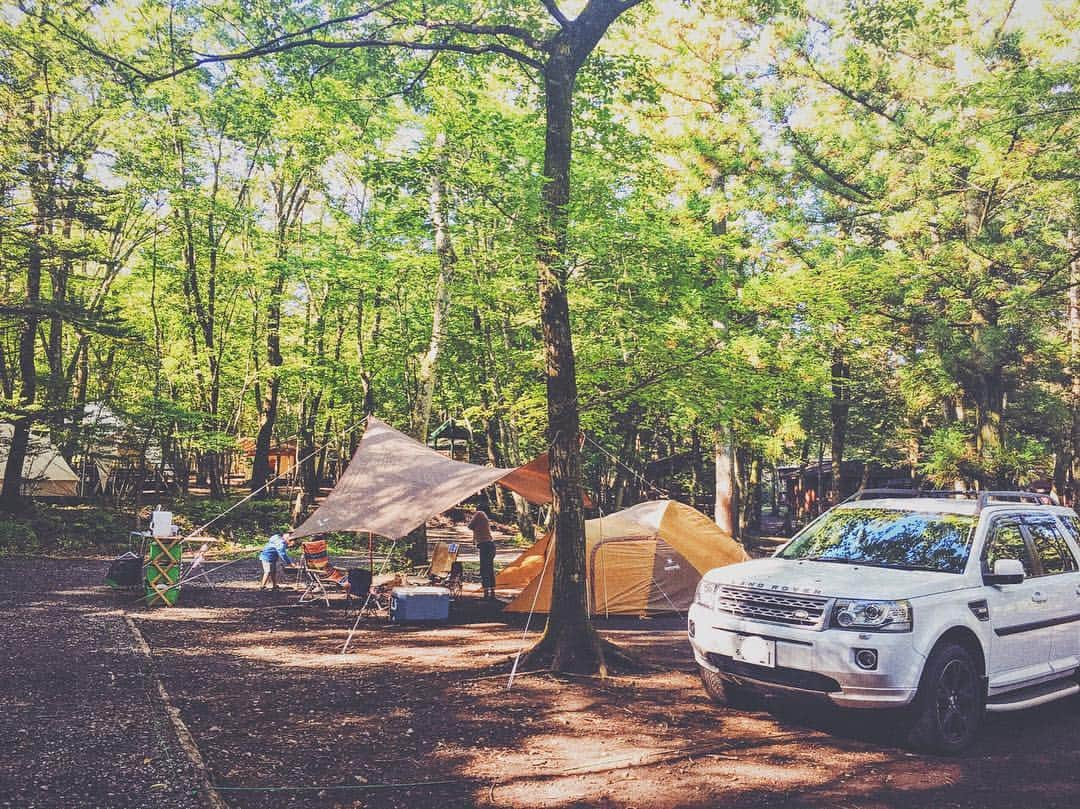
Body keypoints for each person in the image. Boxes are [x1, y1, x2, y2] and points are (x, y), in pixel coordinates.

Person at [469, 507, 496, 600]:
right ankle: (492, 592)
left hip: (485, 546)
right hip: (490, 545)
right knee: (490, 569)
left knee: (484, 569)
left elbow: (470, 526)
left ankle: (486, 593)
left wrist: (472, 519)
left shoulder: (479, 513)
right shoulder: (484, 517)